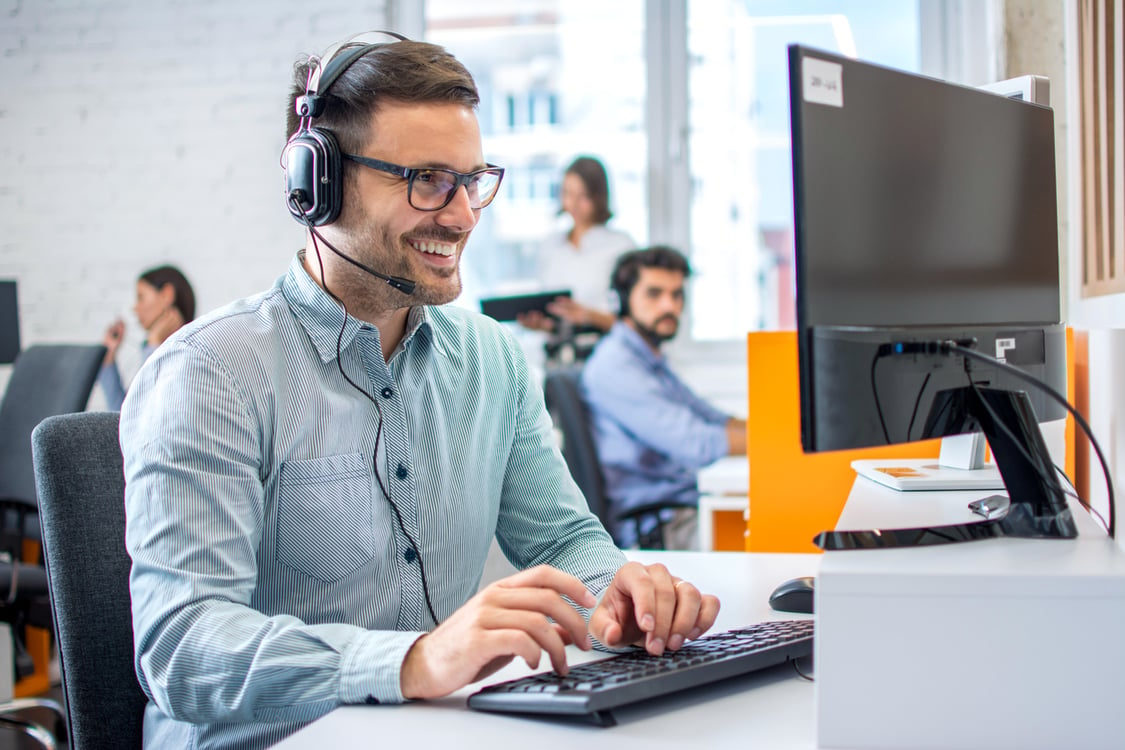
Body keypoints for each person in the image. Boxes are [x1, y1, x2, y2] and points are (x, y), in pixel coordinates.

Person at [119, 34, 719, 750]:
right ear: (319, 184)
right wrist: (415, 660)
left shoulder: (492, 360)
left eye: (472, 180)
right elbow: (182, 644)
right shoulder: (211, 373)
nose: (464, 215)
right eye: (428, 180)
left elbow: (562, 540)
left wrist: (619, 597)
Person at [581, 246, 748, 550]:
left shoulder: (648, 357)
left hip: (682, 506)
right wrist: (783, 442)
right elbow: (696, 443)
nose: (669, 305)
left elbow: (711, 417)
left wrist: (776, 431)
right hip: (662, 524)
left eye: (677, 294)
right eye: (654, 294)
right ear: (621, 300)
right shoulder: (615, 365)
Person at [517, 156, 634, 337]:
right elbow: (554, 318)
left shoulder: (621, 247)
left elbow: (634, 323)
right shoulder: (552, 247)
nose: (574, 204)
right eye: (568, 194)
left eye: (584, 196)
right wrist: (542, 324)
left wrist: (589, 316)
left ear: (599, 197)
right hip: (559, 354)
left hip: (603, 349)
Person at [99, 265, 195, 411]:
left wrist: (154, 344)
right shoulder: (152, 347)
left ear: (167, 294)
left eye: (141, 297)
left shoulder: (189, 352)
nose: (135, 307)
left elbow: (143, 412)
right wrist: (109, 358)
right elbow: (123, 418)